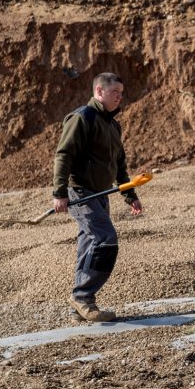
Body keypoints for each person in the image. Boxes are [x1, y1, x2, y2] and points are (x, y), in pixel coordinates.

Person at [52, 72, 143, 322]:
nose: (119, 97)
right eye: (115, 93)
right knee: (105, 240)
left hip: (101, 195)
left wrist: (129, 194)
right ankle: (83, 297)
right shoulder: (83, 117)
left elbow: (119, 165)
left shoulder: (113, 125)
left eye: (121, 93)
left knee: (88, 246)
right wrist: (59, 192)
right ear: (99, 92)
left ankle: (79, 307)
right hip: (80, 193)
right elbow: (64, 155)